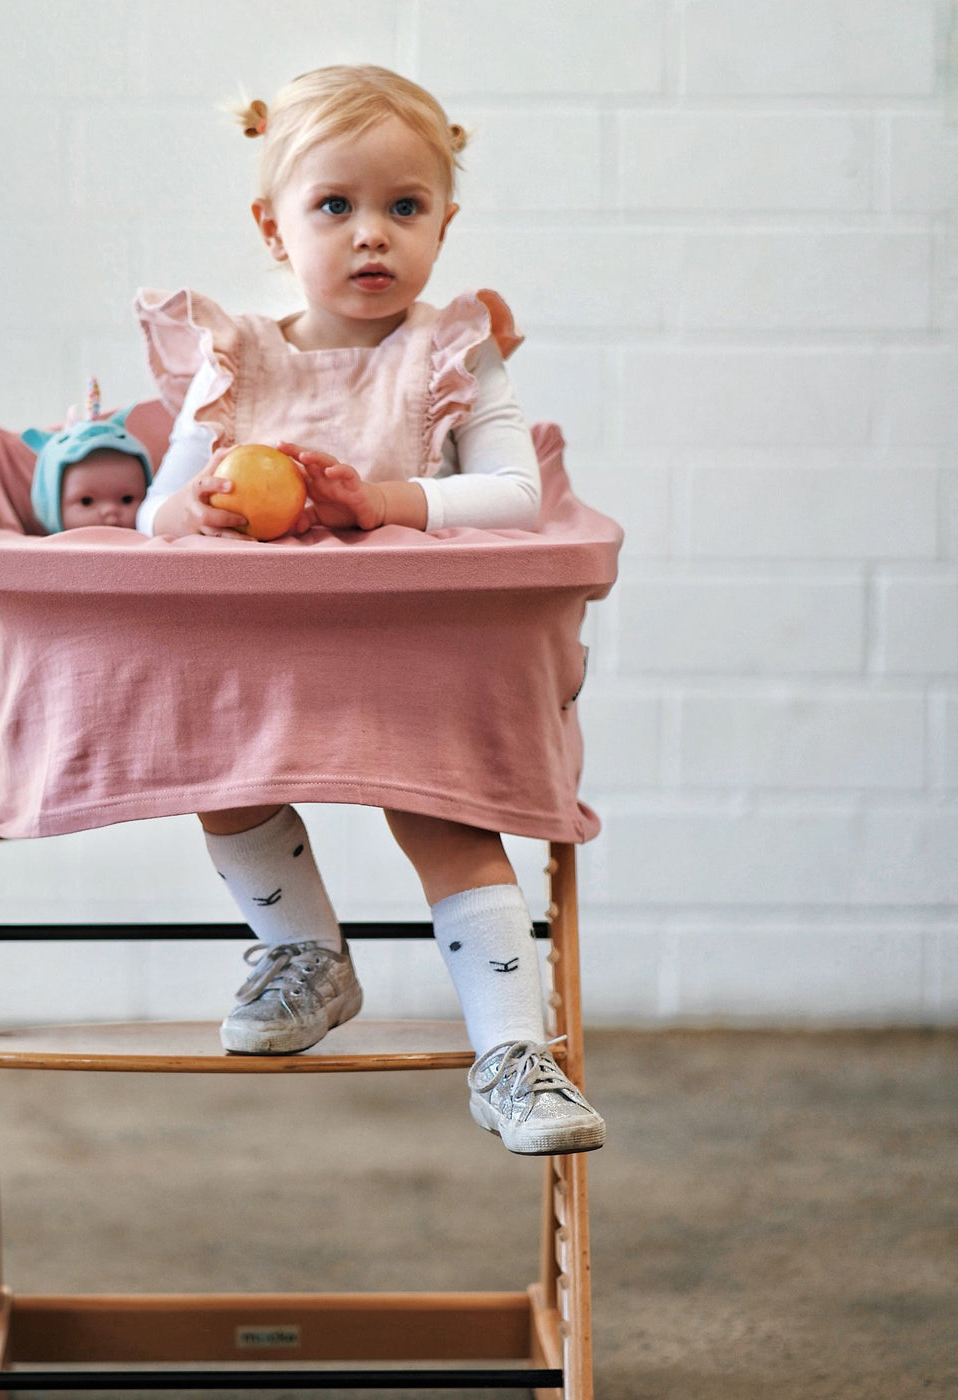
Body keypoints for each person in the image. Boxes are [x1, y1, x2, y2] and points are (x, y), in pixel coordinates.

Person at [132, 65, 604, 1156]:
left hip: (406, 645)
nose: (370, 236)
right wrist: (198, 508)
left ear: (444, 220)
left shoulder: (452, 352)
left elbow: (513, 494)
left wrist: (376, 502)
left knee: (444, 815)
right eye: (332, 207)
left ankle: (509, 1052)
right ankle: (308, 954)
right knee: (223, 785)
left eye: (403, 207)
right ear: (272, 227)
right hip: (268, 649)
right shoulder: (237, 359)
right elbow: (160, 511)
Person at [23, 383, 153, 532]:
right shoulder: (44, 552)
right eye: (86, 501)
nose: (110, 511)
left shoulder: (152, 547)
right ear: (51, 507)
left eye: (127, 499)